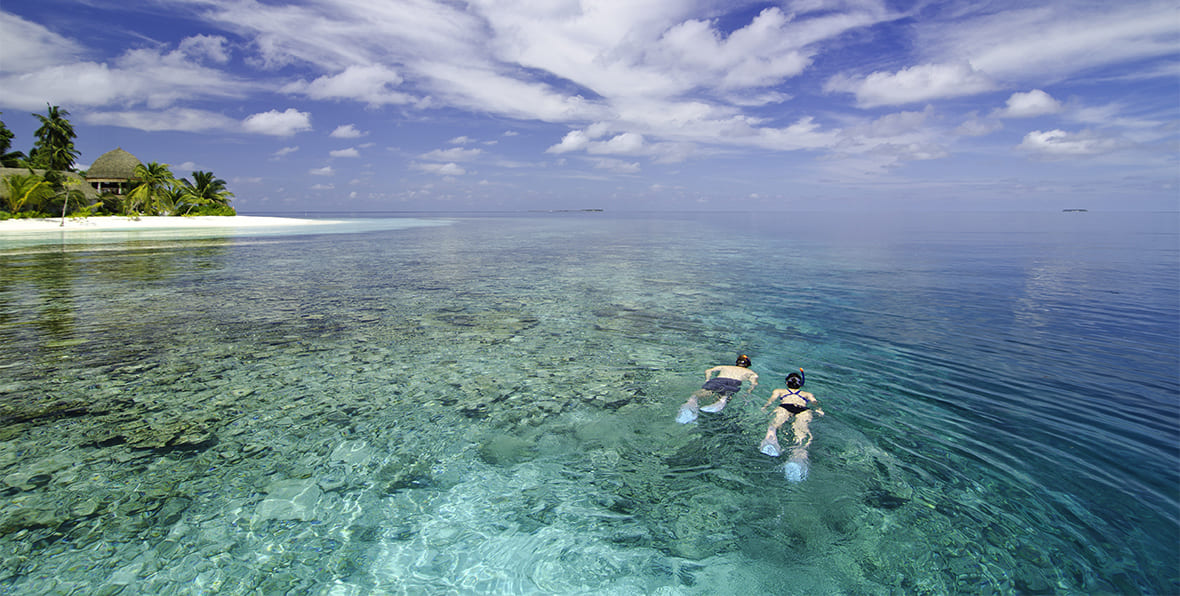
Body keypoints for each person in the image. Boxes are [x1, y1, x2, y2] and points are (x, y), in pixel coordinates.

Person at [759, 369, 823, 459]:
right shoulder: (807, 394)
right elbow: (814, 402)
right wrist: (819, 410)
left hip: (785, 406)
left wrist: (765, 407)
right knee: (801, 432)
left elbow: (771, 400)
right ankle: (799, 454)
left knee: (774, 425)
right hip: (803, 409)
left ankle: (770, 441)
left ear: (787, 383)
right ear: (800, 384)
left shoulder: (779, 391)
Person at [676, 354, 759, 424]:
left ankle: (692, 401)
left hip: (717, 380)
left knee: (703, 393)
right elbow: (754, 383)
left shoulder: (725, 367)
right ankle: (721, 401)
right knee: (726, 395)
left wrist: (707, 380)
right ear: (748, 365)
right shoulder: (751, 372)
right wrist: (748, 392)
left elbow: (708, 371)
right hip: (733, 382)